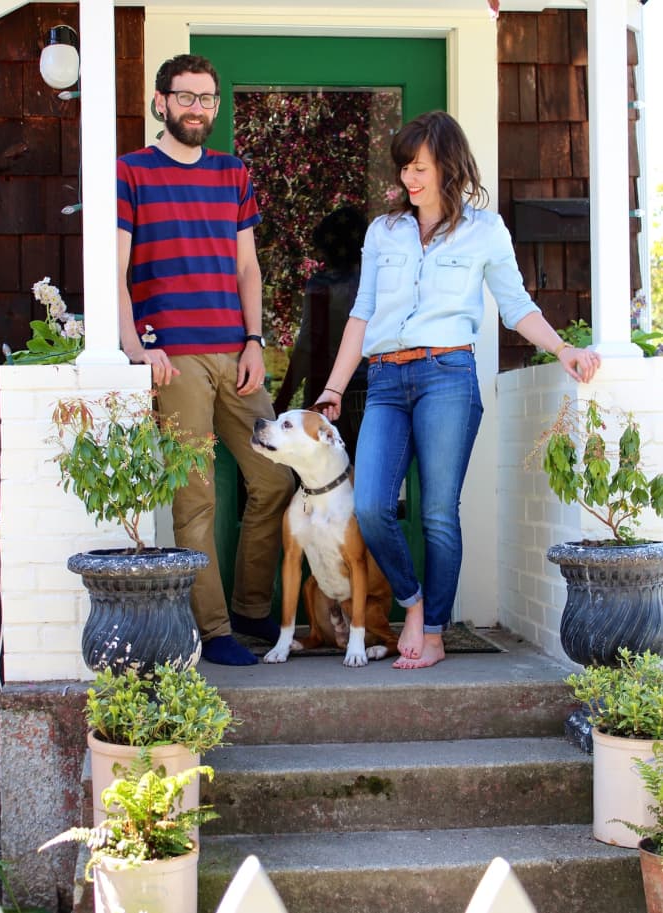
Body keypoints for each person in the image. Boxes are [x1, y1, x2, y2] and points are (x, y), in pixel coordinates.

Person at [315, 111, 601, 670]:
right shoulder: (384, 231)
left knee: (440, 512)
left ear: (448, 165)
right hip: (385, 381)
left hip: (448, 375)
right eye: (404, 168)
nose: (409, 179)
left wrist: (563, 348)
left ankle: (435, 629)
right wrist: (332, 387)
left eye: (419, 167)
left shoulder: (485, 230)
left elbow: (516, 306)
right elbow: (362, 315)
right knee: (372, 505)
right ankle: (412, 600)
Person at [116, 54, 294, 666]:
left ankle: (250, 607)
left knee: (274, 476)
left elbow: (248, 266)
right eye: (185, 97)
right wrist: (137, 347)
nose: (197, 109)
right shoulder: (131, 172)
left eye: (207, 98)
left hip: (235, 351)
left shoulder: (232, 172)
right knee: (195, 496)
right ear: (161, 102)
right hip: (176, 358)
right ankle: (214, 630)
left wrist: (254, 340)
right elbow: (116, 270)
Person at [273, 206, 368, 460]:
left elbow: (306, 345)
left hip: (324, 390)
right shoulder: (372, 282)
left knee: (323, 465)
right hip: (368, 388)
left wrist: (282, 400)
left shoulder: (322, 286)